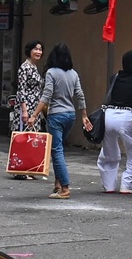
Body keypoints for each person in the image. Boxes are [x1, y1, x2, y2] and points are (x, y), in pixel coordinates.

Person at [96, 50, 132, 193]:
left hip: (108, 115)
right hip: (126, 115)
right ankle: (129, 184)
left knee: (109, 151)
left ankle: (108, 185)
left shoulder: (115, 77)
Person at [41, 43, 83, 200]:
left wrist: (34, 114)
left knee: (57, 150)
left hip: (56, 115)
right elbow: (80, 94)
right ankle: (58, 183)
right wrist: (84, 115)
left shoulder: (51, 72)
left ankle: (65, 187)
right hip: (70, 115)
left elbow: (46, 95)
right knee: (58, 148)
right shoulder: (74, 74)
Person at [10, 41, 47, 181]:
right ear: (29, 51)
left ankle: (29, 167)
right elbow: (21, 90)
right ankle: (20, 169)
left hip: (35, 107)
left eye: (40, 49)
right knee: (23, 136)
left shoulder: (34, 67)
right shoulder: (24, 67)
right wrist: (24, 111)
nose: (38, 52)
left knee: (32, 137)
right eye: (35, 49)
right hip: (26, 107)